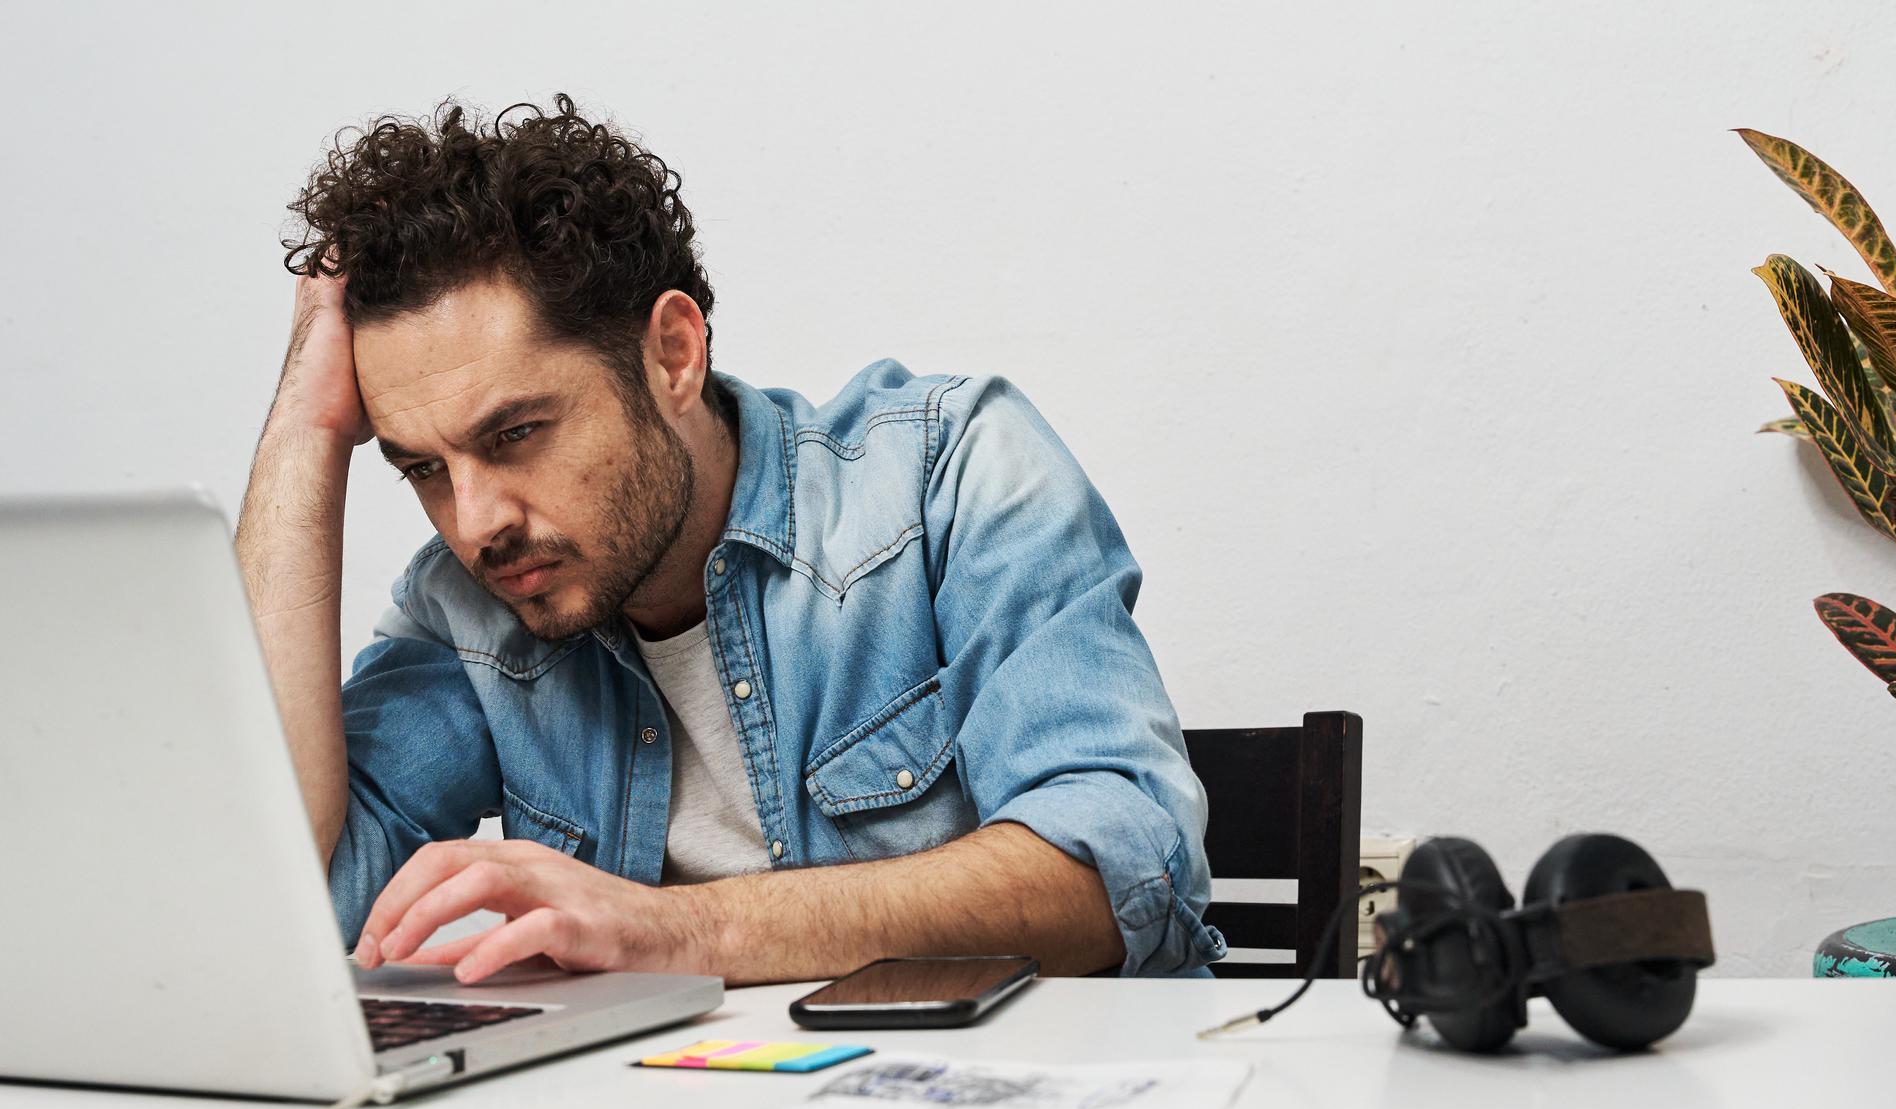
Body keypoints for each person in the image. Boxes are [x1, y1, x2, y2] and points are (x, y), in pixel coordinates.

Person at [236, 94, 1222, 985]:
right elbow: (277, 903)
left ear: (672, 353)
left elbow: (1121, 870)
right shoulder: (469, 607)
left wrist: (681, 931)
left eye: (516, 435)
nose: (476, 520)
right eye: (421, 469)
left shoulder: (946, 474)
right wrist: (302, 434)